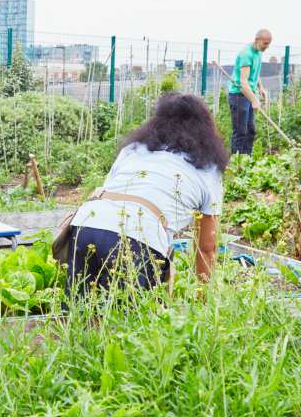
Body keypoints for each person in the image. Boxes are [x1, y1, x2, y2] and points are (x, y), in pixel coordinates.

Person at [68, 92, 228, 292]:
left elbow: (110, 194)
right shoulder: (208, 169)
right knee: (131, 317)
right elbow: (206, 247)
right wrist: (204, 297)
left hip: (87, 225)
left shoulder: (134, 150)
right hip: (137, 237)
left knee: (83, 312)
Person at [227, 29, 272, 155]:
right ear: (257, 40)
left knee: (250, 130)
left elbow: (255, 74)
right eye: (265, 43)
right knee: (240, 131)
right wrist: (254, 100)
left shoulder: (258, 52)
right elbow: (243, 83)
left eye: (268, 44)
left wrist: (260, 88)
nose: (266, 47)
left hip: (249, 94)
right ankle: (237, 162)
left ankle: (247, 159)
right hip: (239, 95)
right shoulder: (246, 54)